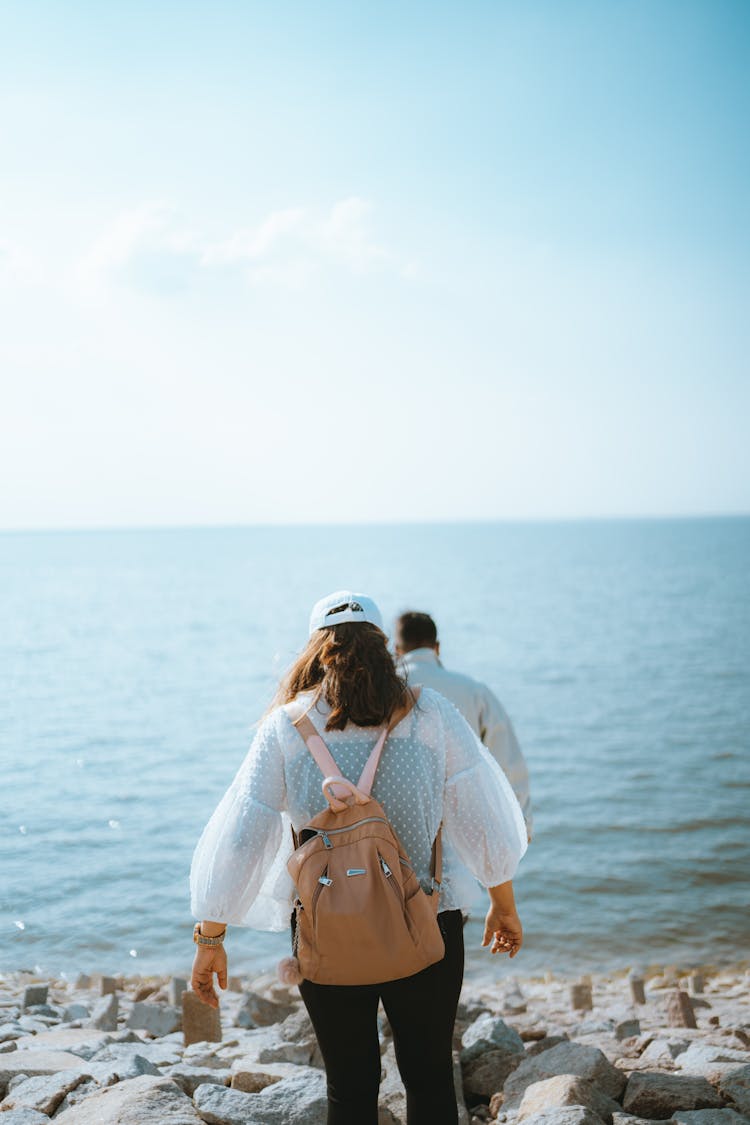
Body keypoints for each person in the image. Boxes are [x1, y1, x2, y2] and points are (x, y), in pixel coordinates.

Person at [190, 590, 528, 1125]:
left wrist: (212, 937)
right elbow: (481, 814)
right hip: (426, 919)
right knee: (429, 1074)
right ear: (381, 646)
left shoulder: (287, 725)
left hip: (326, 927)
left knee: (349, 1083)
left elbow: (243, 834)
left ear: (317, 651)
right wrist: (501, 899)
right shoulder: (430, 713)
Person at [394, 611, 533, 841]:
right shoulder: (475, 691)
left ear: (398, 651)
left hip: (398, 834)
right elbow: (507, 763)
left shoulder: (380, 693)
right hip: (466, 834)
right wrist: (522, 826)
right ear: (437, 647)